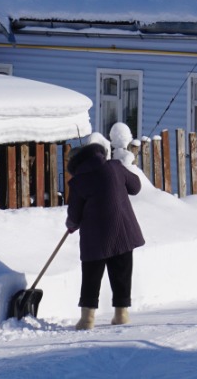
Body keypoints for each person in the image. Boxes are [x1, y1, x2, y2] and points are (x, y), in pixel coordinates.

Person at [65, 140, 145, 330]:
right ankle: (121, 315)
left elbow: (74, 214)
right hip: (122, 231)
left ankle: (87, 319)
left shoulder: (78, 181)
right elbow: (135, 187)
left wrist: (71, 225)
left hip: (94, 237)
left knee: (91, 277)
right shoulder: (115, 167)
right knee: (121, 273)